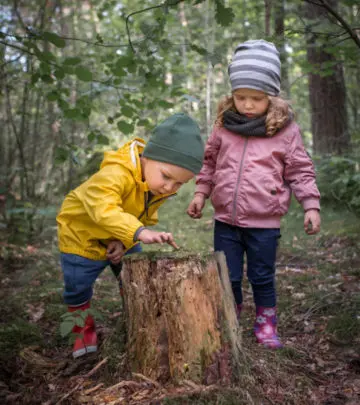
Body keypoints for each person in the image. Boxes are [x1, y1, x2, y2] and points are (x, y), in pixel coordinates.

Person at [187, 40, 321, 349]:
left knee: (261, 276)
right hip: (226, 220)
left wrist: (310, 205)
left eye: (256, 99)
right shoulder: (223, 126)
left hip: (265, 222)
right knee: (228, 275)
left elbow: (300, 170)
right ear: (231, 95)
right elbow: (209, 163)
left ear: (271, 97)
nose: (247, 105)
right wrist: (200, 193)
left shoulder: (285, 130)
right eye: (240, 97)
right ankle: (231, 315)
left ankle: (266, 321)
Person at [57, 113, 204, 358]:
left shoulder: (156, 186)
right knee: (78, 287)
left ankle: (137, 319)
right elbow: (103, 209)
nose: (169, 187)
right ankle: (82, 330)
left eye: (179, 184)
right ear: (147, 158)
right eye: (167, 176)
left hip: (121, 234)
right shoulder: (116, 173)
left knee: (132, 275)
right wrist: (138, 232)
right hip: (81, 237)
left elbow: (141, 214)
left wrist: (125, 240)